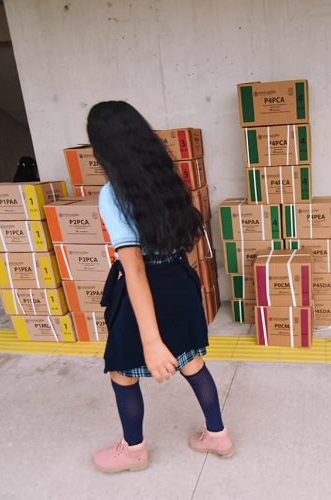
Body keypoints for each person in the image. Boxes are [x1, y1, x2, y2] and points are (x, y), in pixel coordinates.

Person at [87, 101, 233, 474]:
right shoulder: (166, 177)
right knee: (191, 360)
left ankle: (133, 450)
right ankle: (217, 434)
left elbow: (133, 266)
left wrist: (151, 341)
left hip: (146, 285)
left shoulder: (114, 193)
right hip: (180, 280)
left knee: (122, 371)